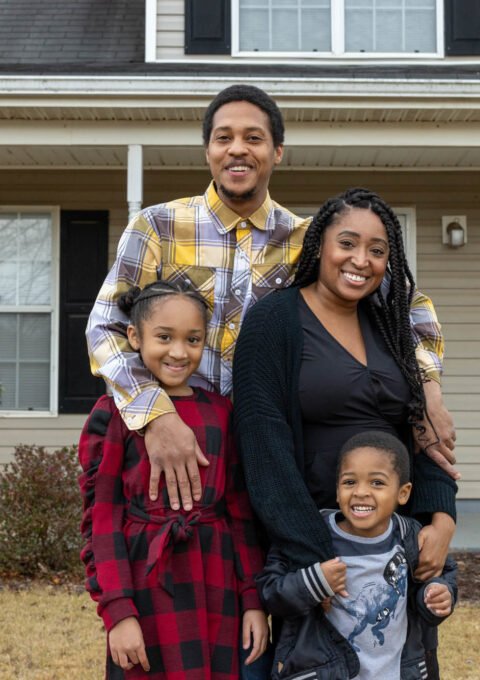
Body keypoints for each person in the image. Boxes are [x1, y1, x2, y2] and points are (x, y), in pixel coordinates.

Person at [86, 84, 458, 521]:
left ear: (277, 151)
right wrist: (156, 416)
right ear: (207, 150)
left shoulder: (310, 241)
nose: (237, 150)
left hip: (270, 452)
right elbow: (107, 328)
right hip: (180, 440)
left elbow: (410, 310)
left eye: (254, 138)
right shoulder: (158, 226)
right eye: (224, 138)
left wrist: (428, 388)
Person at [232, 188, 457, 678]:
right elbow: (263, 453)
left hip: (392, 543)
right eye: (348, 244)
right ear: (319, 246)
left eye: (378, 251)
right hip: (314, 556)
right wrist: (325, 555)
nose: (362, 261)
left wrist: (441, 519)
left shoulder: (390, 324)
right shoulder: (274, 323)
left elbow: (419, 433)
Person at [79, 281, 268, 679]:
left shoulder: (222, 412)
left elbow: (239, 513)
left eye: (193, 339)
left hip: (216, 579)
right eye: (164, 337)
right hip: (145, 578)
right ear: (134, 336)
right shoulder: (117, 413)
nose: (179, 352)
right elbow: (103, 518)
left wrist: (252, 598)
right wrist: (118, 611)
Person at [257, 431, 457, 680]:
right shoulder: (309, 534)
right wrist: (315, 582)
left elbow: (441, 575)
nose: (361, 492)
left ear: (403, 493)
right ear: (337, 489)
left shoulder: (408, 537)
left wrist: (438, 594)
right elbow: (271, 593)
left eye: (377, 483)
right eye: (350, 482)